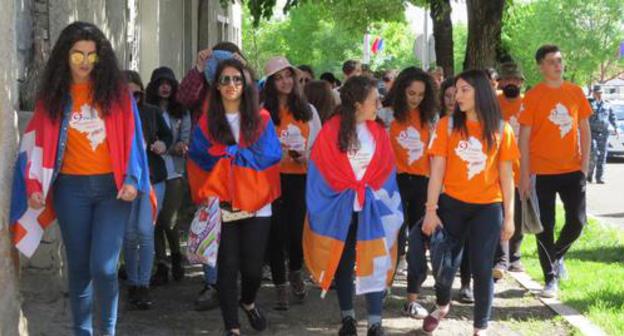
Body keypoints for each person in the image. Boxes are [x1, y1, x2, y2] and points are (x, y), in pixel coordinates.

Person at [10, 21, 152, 336]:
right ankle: (82, 332)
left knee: (103, 267)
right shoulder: (53, 98)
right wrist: (34, 187)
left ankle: (108, 331)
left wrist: (132, 177)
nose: (85, 62)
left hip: (112, 191)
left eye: (92, 55)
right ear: (65, 57)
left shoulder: (117, 96)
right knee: (78, 269)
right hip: (70, 190)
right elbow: (35, 144)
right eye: (77, 55)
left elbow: (133, 140)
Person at [187, 58, 282, 336]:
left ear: (246, 84)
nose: (231, 85)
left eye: (237, 79)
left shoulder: (261, 120)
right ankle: (233, 327)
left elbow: (269, 155)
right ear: (216, 86)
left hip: (257, 204)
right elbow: (198, 157)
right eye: (225, 79)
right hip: (223, 204)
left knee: (252, 269)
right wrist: (221, 161)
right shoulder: (206, 123)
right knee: (227, 267)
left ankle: (248, 301)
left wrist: (231, 154)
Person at [304, 76, 403, 336]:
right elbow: (321, 169)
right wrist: (346, 191)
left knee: (375, 261)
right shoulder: (331, 130)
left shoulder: (379, 132)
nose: (379, 104)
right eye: (374, 100)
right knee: (344, 262)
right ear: (358, 104)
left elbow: (386, 171)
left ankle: (374, 321)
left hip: (373, 208)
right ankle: (347, 318)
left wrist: (372, 192)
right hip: (341, 208)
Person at [422, 69, 517, 335]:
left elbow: (507, 178)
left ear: (481, 93)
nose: (457, 96)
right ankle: (442, 305)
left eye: (465, 90)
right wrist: (431, 211)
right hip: (452, 204)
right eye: (456, 90)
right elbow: (437, 171)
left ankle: (480, 327)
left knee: (482, 269)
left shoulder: (501, 129)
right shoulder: (447, 125)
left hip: (487, 208)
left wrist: (509, 217)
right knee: (444, 266)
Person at [519, 44, 592, 298]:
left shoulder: (575, 92)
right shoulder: (533, 96)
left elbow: (584, 129)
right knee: (545, 226)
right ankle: (550, 279)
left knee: (577, 221)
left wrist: (585, 166)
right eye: (551, 61)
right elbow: (524, 138)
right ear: (541, 66)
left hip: (573, 170)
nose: (557, 65)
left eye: (559, 60)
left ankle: (556, 257)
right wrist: (524, 176)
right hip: (542, 172)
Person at [262, 56, 322, 310]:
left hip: (301, 179)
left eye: (288, 75)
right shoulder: (263, 111)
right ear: (271, 83)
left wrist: (307, 157)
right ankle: (280, 288)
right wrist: (277, 156)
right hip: (271, 181)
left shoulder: (309, 111)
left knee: (297, 232)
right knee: (275, 233)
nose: (285, 82)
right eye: (278, 77)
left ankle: (295, 270)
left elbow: (320, 147)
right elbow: (256, 149)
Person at [382, 67, 437, 319]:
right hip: (393, 182)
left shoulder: (431, 118)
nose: (415, 98)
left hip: (422, 183)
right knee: (391, 235)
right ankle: (383, 285)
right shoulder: (387, 114)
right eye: (411, 93)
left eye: (421, 94)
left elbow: (436, 154)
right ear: (401, 89)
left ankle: (412, 298)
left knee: (418, 240)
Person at [123, 70, 173, 310]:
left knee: (144, 231)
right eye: (127, 95)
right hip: (126, 182)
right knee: (130, 234)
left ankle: (143, 284)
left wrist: (163, 144)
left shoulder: (152, 112)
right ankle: (133, 282)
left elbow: (167, 135)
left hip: (153, 180)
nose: (133, 100)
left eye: (137, 94)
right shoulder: (113, 117)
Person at [145, 66, 191, 286]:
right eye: (161, 83)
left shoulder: (181, 112)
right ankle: (161, 264)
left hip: (174, 172)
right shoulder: (147, 110)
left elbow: (185, 142)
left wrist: (168, 147)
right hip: (153, 172)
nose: (165, 87)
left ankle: (176, 256)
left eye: (169, 83)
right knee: (153, 221)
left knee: (168, 220)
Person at [493, 62, 526, 277]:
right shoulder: (493, 103)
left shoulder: (528, 103)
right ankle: (500, 257)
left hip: (521, 167)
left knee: (519, 213)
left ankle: (515, 255)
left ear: (522, 83)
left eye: (516, 80)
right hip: (496, 168)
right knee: (500, 213)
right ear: (500, 81)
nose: (511, 83)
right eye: (507, 79)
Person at [587, 85, 617, 184]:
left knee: (603, 155)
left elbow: (612, 117)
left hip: (604, 133)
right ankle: (589, 174)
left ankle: (599, 177)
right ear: (593, 93)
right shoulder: (589, 103)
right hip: (592, 132)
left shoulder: (607, 105)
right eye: (597, 93)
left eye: (600, 93)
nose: (599, 95)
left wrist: (616, 128)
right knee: (593, 153)